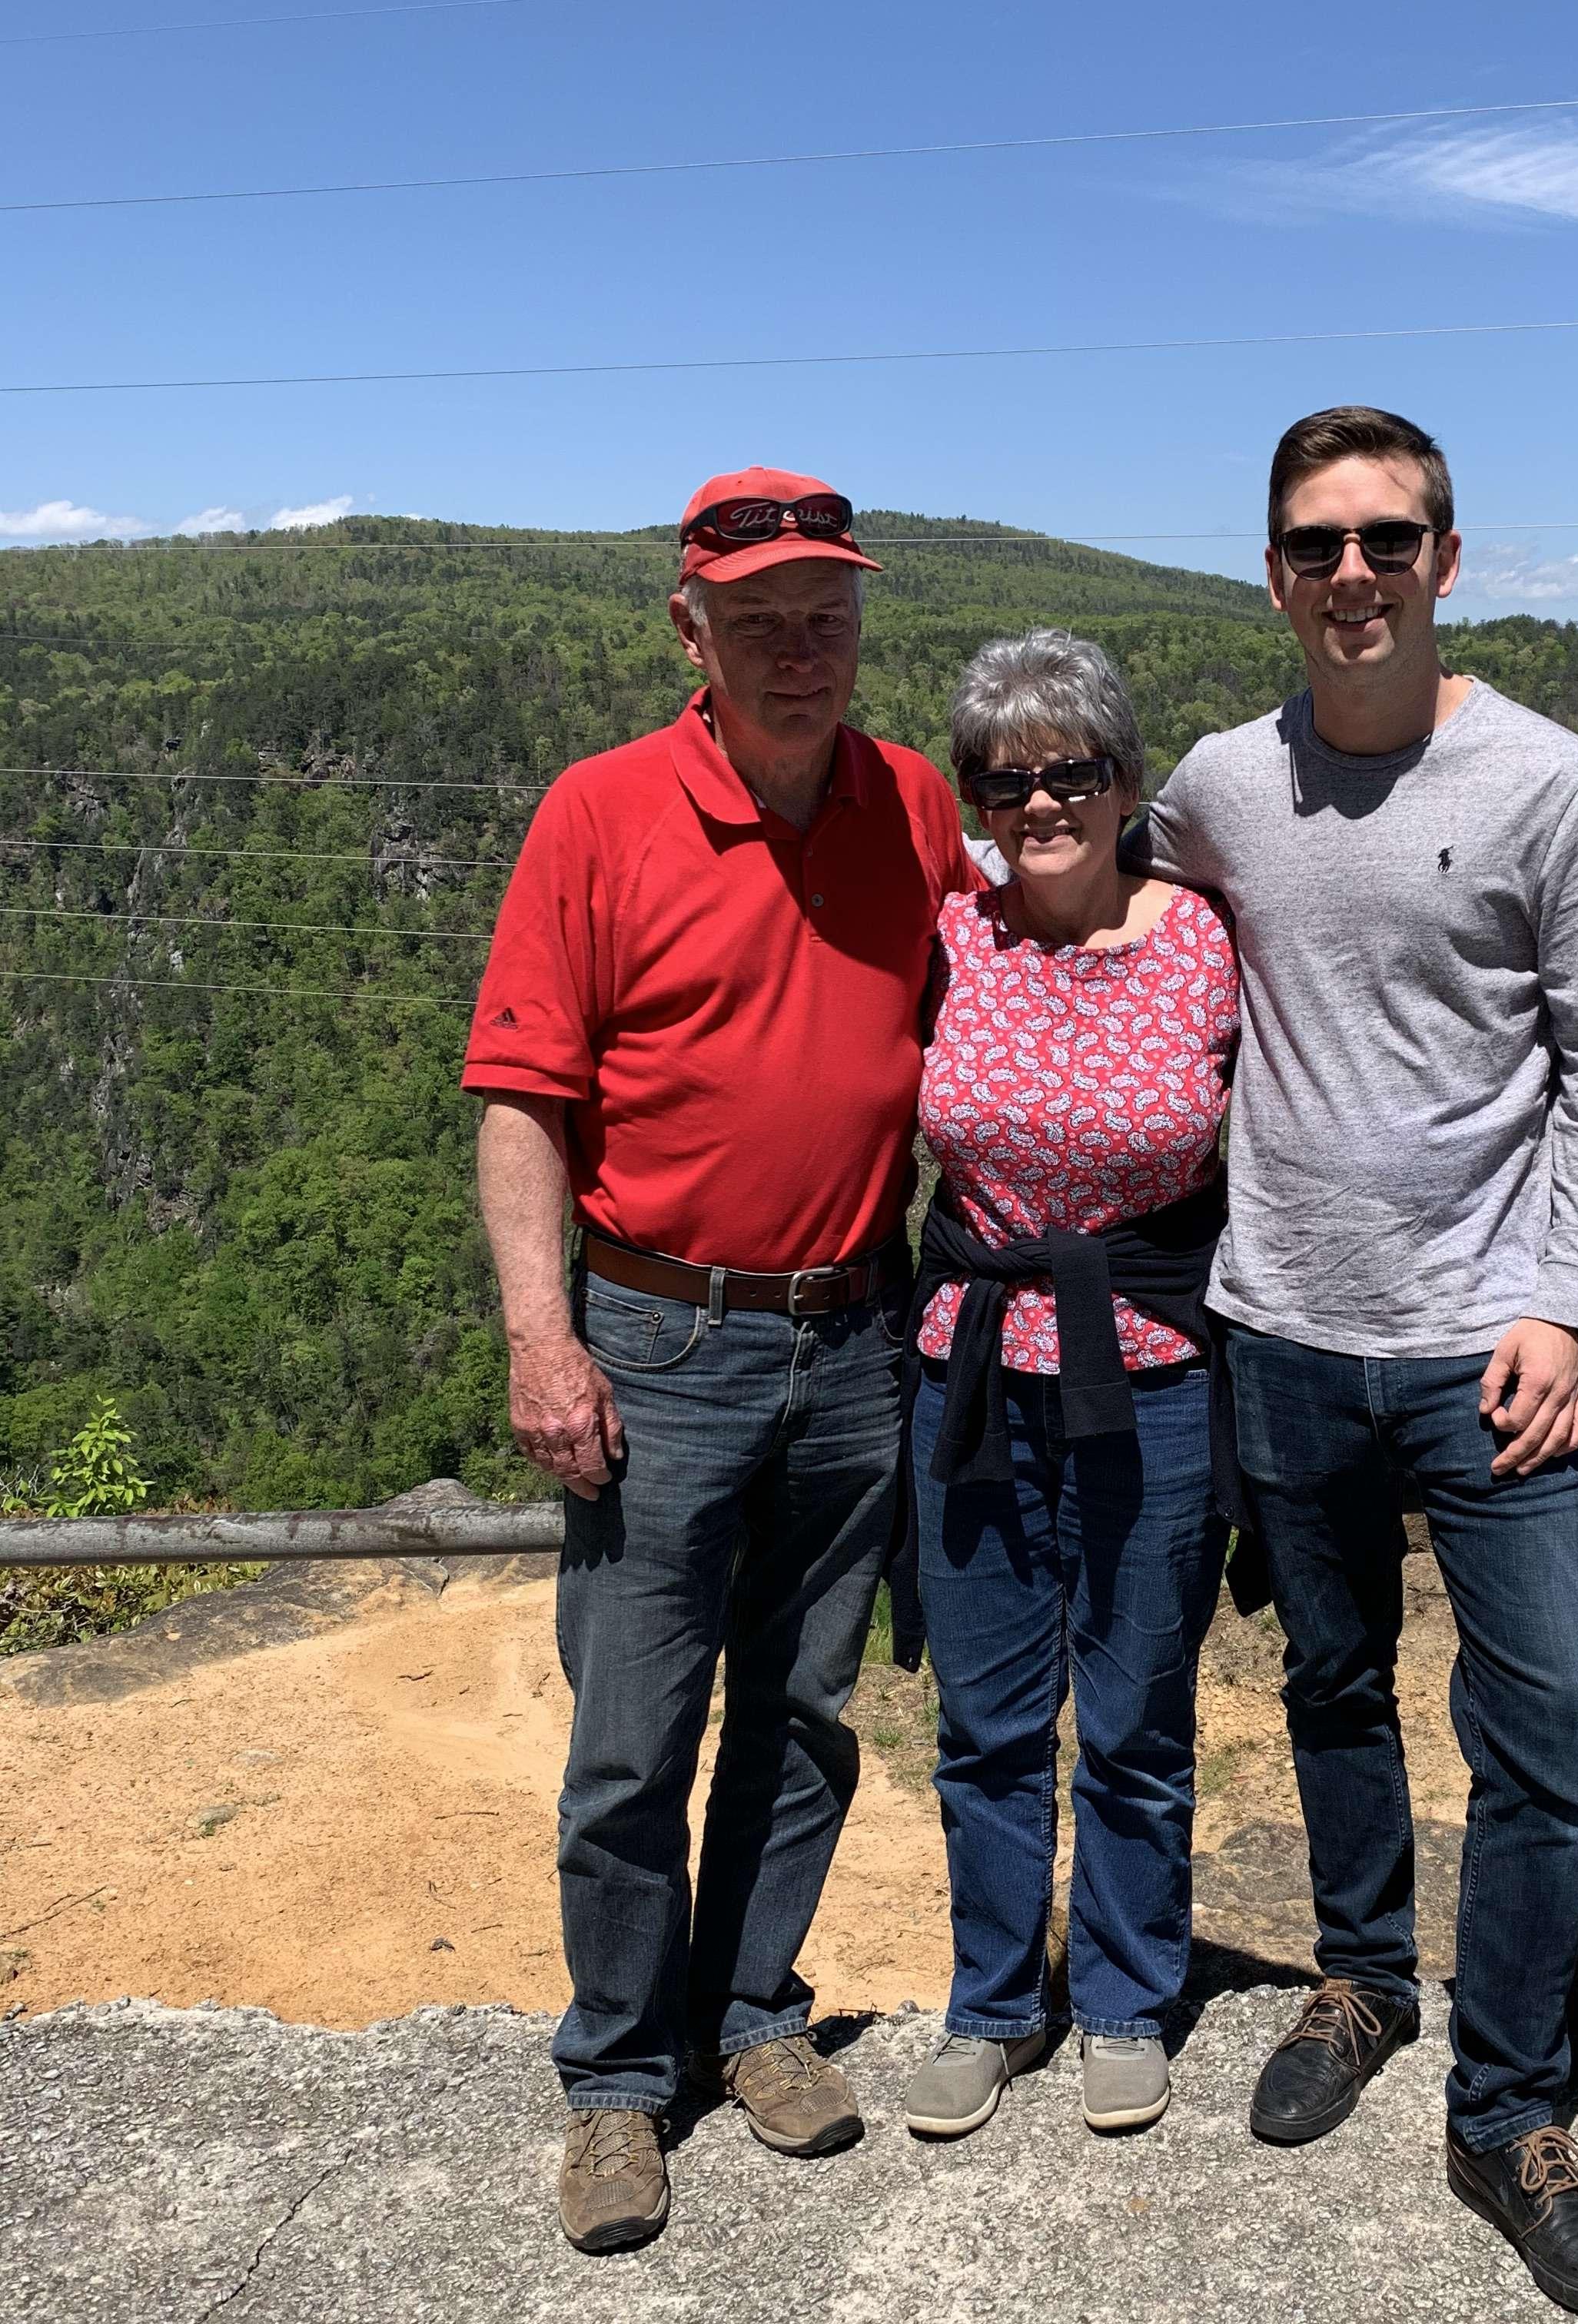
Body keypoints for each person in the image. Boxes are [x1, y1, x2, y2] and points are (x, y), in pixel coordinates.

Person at [1131, 408, 1578, 2319]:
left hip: (1489, 1353)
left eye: (1386, 539)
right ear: (1271, 575)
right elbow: (1060, 868)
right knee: (1332, 1687)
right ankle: (1363, 1981)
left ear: (1449, 558)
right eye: (1314, 545)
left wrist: (1565, 1298)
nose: (1351, 574)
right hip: (1280, 1328)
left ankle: (1508, 2109)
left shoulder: (1550, 786)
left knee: (1547, 1738)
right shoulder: (1220, 782)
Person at [463, 466, 978, 2254]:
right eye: (758, 620)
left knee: (809, 1710)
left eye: (827, 614)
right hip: (655, 1335)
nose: (800, 647)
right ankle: (618, 2077)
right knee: (631, 1734)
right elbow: (525, 1100)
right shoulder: (600, 813)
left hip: (854, 1329)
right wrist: (545, 1339)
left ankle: (754, 2016)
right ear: (690, 629)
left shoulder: (912, 802)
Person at [899, 629, 1238, 2142]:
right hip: (966, 1373)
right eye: (1004, 779)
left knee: (1137, 1712)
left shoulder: (1207, 937)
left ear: (1124, 778)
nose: (1039, 804)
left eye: (1072, 773)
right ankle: (991, 2003)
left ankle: (1120, 1994)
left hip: (1151, 1376)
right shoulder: (949, 931)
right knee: (983, 1720)